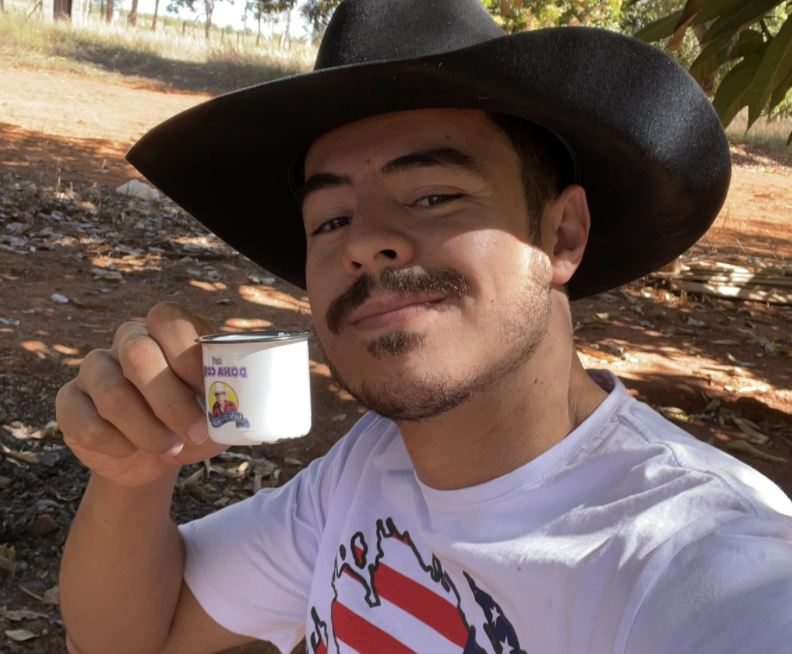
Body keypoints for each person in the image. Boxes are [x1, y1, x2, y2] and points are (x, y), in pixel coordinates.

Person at [55, 1, 792, 653]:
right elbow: (135, 636)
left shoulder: (700, 560)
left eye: (434, 195)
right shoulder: (362, 472)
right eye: (331, 219)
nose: (363, 243)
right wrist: (133, 476)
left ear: (562, 236)